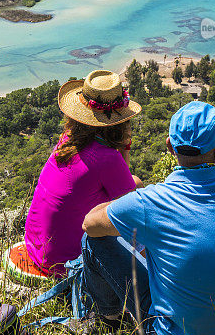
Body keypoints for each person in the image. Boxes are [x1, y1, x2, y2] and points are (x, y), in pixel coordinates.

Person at [81, 100, 215, 335]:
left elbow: (90, 225)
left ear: (169, 146)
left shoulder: (150, 202)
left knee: (93, 243)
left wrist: (126, 201)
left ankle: (111, 319)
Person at [20, 70, 142, 279]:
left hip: (36, 248)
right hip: (65, 263)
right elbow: (128, 206)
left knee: (133, 187)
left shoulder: (67, 140)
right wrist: (125, 146)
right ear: (122, 120)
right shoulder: (107, 158)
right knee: (139, 195)